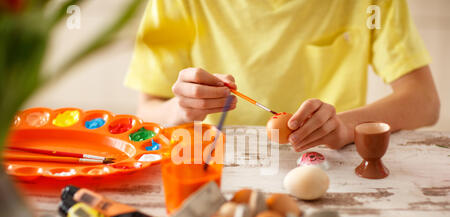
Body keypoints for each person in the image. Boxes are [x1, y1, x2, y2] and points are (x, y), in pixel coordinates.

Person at [125, 0, 440, 152]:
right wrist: (181, 110)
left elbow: (424, 102)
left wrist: (344, 125)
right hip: (216, 168)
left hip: (329, 167)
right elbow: (148, 111)